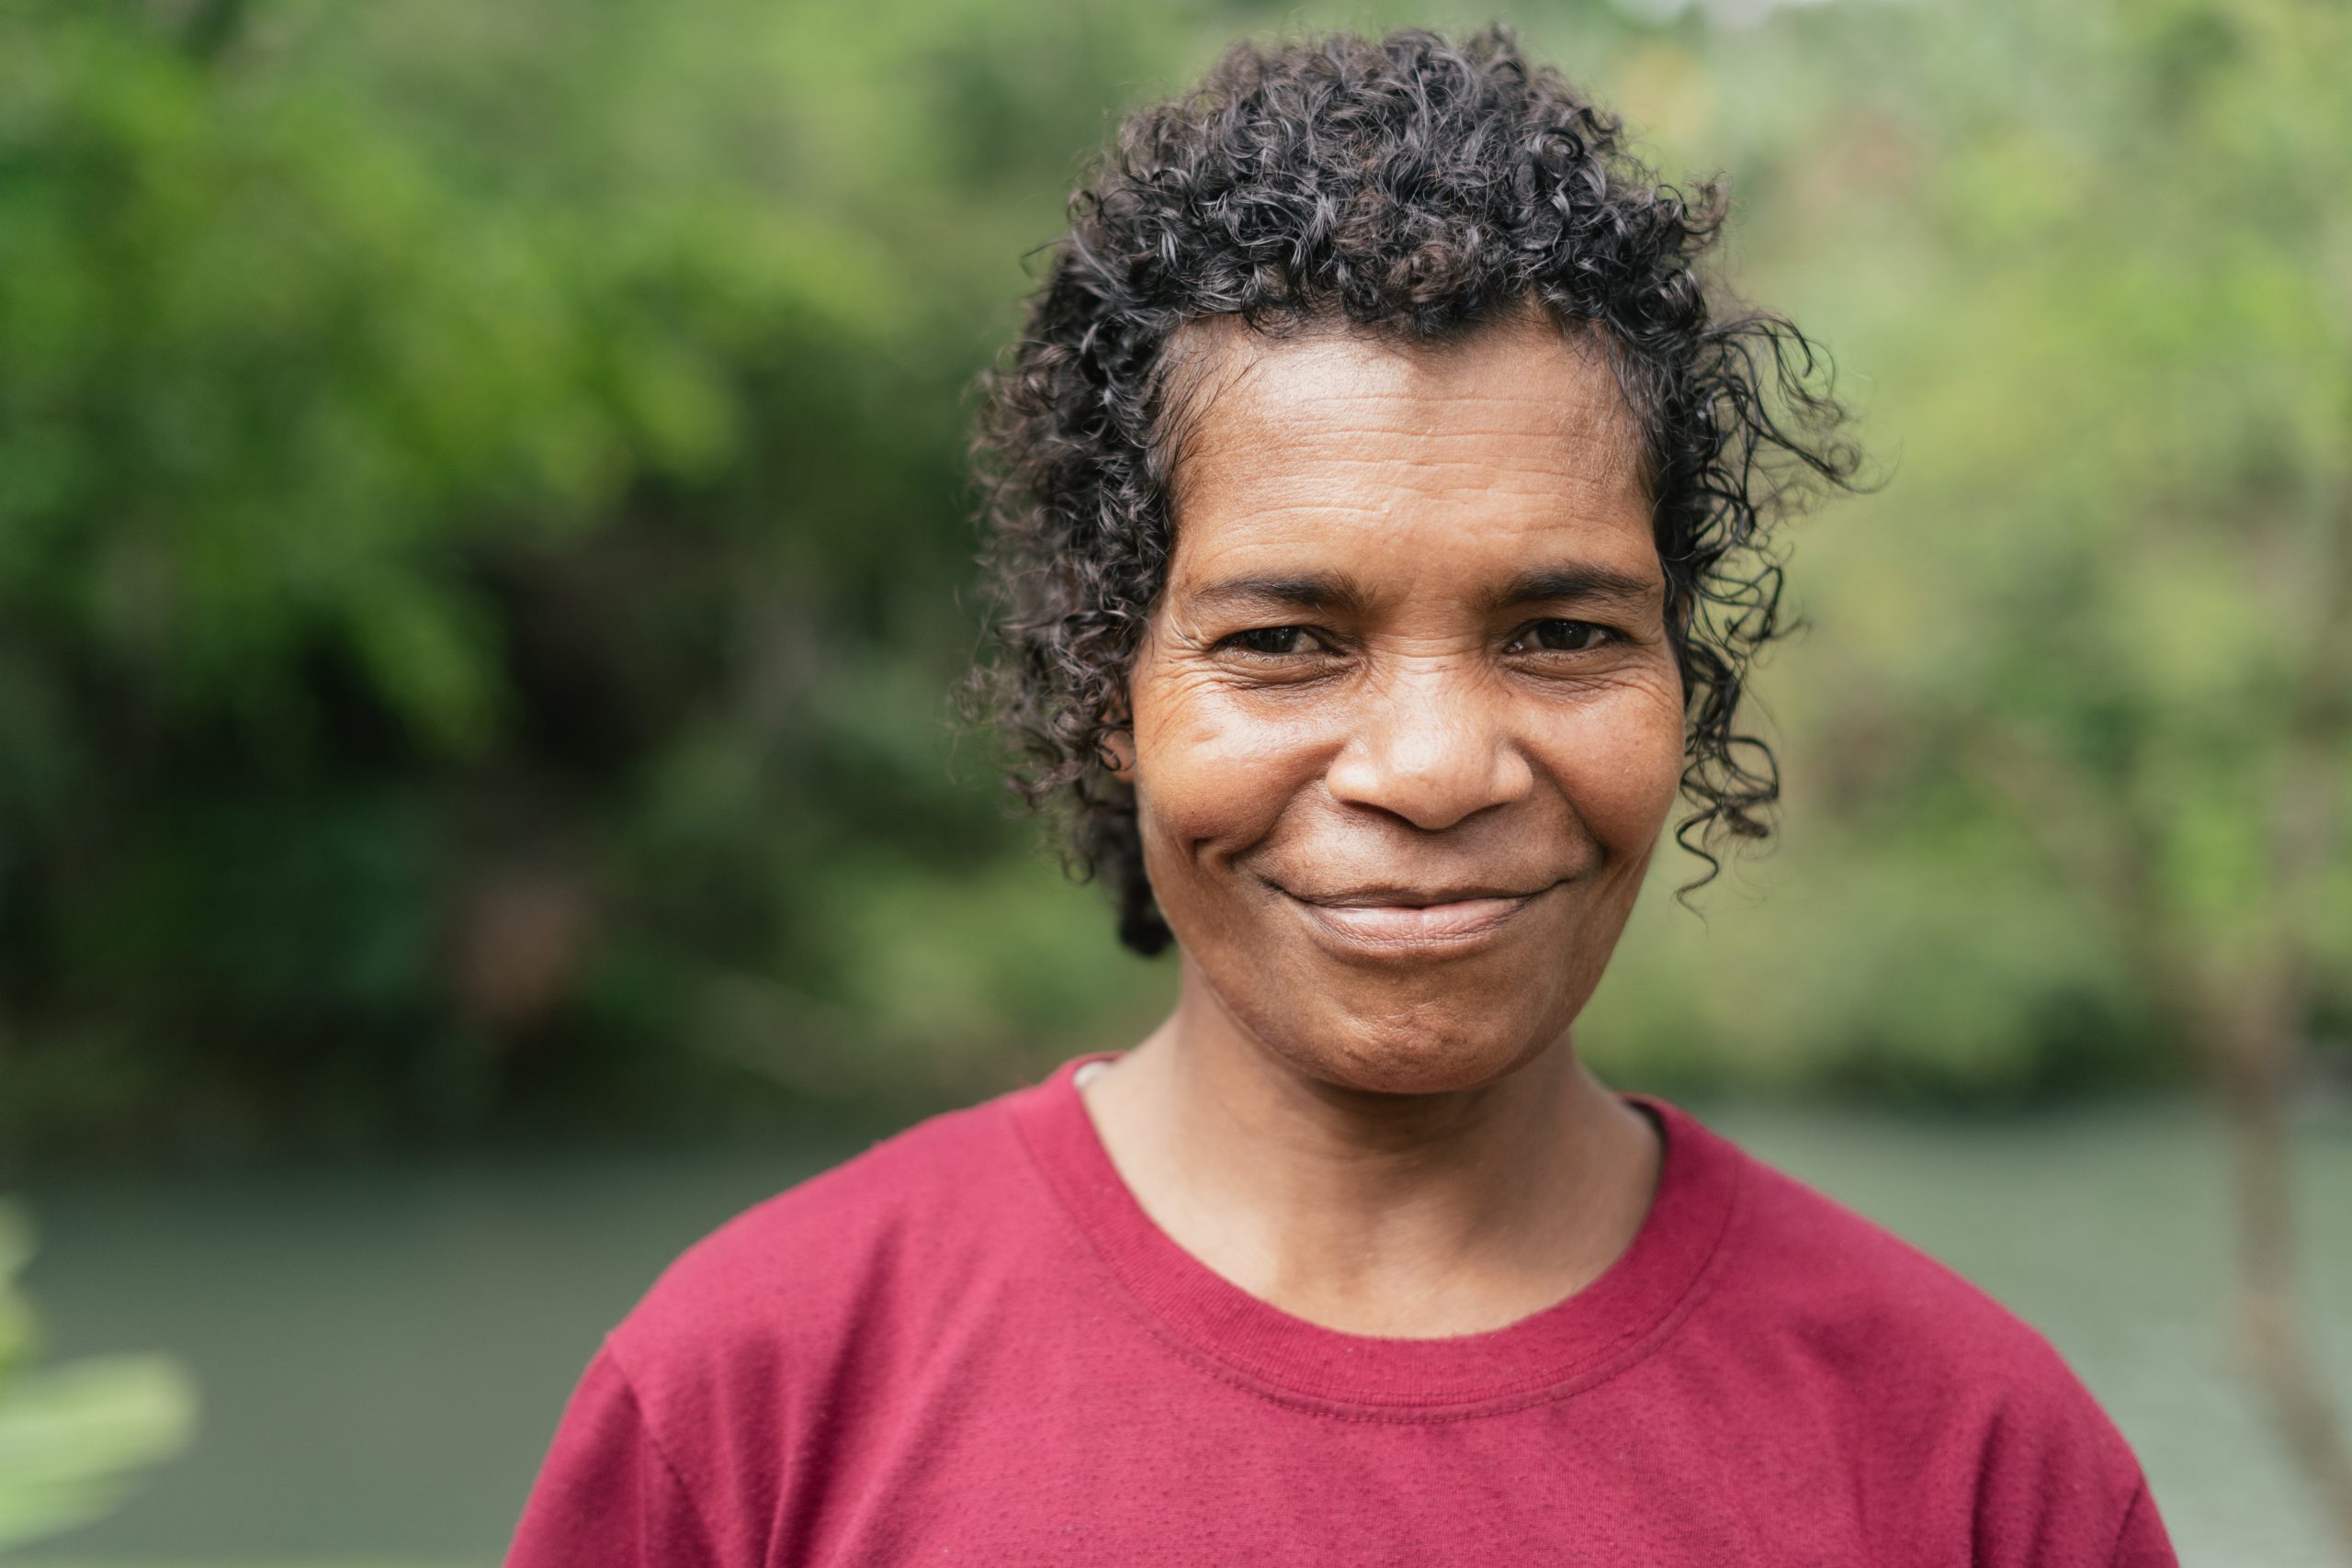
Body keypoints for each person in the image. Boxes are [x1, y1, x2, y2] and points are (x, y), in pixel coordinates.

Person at [506, 27, 2176, 1565]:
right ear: (1112, 687)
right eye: (1290, 640)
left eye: (1562, 633)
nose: (1434, 768)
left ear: (1687, 675)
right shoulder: (755, 1410)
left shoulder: (1971, 1464)